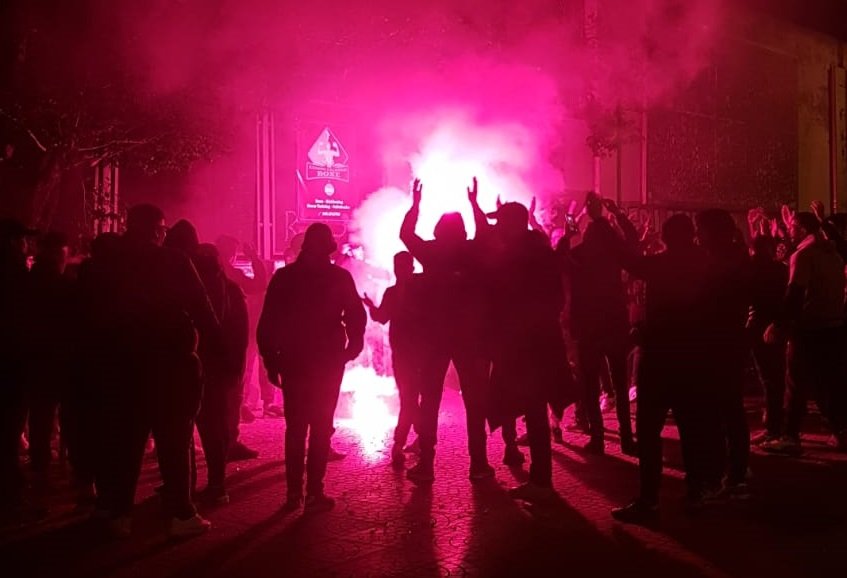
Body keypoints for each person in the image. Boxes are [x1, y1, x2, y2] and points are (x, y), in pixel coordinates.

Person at [85, 204, 220, 538]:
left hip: (121, 367)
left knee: (125, 444)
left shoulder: (103, 264)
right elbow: (205, 312)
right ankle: (181, 514)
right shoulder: (173, 261)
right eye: (161, 230)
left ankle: (117, 514)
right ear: (157, 230)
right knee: (174, 443)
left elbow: (87, 316)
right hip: (170, 368)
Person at [612, 214, 714, 524]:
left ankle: (649, 500)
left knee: (649, 431)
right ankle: (697, 492)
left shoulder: (661, 264)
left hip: (658, 358)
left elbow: (627, 259)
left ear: (668, 238)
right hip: (693, 358)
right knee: (692, 428)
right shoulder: (705, 263)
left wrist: (618, 223)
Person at [257, 223, 365, 513]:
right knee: (320, 427)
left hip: (294, 360)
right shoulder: (338, 277)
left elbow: (267, 323)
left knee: (295, 429)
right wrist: (352, 346)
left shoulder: (285, 277)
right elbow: (356, 313)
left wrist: (271, 360)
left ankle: (294, 494)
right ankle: (314, 492)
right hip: (328, 360)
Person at [399, 178, 494, 483]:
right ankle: (478, 463)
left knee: (430, 401)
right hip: (468, 336)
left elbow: (405, 234)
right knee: (474, 400)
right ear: (462, 231)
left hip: (435, 337)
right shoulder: (470, 252)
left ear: (438, 231)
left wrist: (415, 205)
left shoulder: (431, 252)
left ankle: (426, 464)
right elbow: (486, 233)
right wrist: (475, 205)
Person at [481, 199, 575, 503]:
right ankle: (540, 478)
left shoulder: (525, 257)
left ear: (514, 224)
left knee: (533, 408)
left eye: (501, 222)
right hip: (534, 343)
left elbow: (521, 300)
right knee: (532, 409)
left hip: (529, 347)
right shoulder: (536, 252)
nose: (498, 228)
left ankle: (542, 481)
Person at [763, 212, 847, 454]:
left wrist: (778, 324)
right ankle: (841, 431)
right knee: (829, 383)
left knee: (795, 382)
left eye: (791, 227)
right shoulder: (833, 253)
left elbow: (795, 293)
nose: (789, 231)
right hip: (833, 326)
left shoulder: (803, 255)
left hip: (809, 328)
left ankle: (790, 436)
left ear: (800, 228)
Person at [561, 193, 638, 455]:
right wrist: (614, 214)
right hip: (613, 322)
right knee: (618, 382)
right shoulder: (613, 254)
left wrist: (569, 229)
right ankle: (626, 438)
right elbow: (632, 243)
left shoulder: (582, 254)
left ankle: (597, 437)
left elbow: (561, 257)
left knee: (591, 384)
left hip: (590, 326)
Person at [696, 209, 753, 496]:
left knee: (721, 410)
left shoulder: (723, 263)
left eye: (701, 230)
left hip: (719, 343)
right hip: (728, 342)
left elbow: (708, 304)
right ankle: (734, 471)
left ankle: (726, 474)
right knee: (729, 409)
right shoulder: (736, 258)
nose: (697, 236)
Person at [25, 232, 74, 507]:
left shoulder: (25, 281)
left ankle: (40, 468)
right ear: (60, 255)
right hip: (57, 359)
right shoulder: (61, 286)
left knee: (39, 416)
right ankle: (59, 469)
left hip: (32, 358)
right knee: (63, 415)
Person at [364, 251, 424, 467]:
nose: (400, 269)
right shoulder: (417, 290)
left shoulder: (407, 291)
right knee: (411, 399)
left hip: (410, 353)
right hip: (413, 353)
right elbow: (382, 317)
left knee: (409, 399)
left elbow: (381, 317)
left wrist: (371, 307)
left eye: (402, 265)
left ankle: (401, 444)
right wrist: (372, 306)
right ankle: (421, 438)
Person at [0, 218, 34, 521]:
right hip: (11, 363)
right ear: (13, 242)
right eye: (24, 240)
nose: (27, 245)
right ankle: (12, 497)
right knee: (9, 430)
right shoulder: (14, 272)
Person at [747, 234, 788, 445]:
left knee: (768, 378)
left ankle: (773, 428)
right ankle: (775, 425)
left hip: (755, 326)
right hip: (776, 326)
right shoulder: (781, 269)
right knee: (776, 378)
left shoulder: (750, 267)